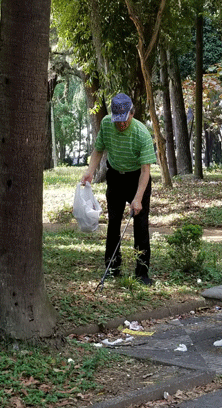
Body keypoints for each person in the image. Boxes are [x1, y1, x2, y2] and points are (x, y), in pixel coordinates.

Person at [81, 93, 157, 285]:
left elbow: (145, 171)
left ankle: (142, 273)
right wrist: (90, 171)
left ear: (132, 113)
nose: (121, 124)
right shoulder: (107, 124)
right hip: (115, 176)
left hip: (137, 178)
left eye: (125, 119)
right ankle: (112, 267)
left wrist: (137, 198)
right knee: (114, 222)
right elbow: (98, 149)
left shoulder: (141, 134)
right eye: (118, 120)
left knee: (140, 225)